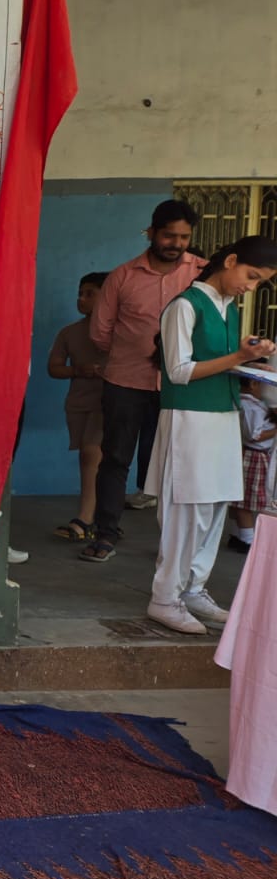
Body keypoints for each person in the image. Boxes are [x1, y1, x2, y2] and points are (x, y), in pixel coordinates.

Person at [143, 237, 277, 634]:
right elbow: (178, 371)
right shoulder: (185, 306)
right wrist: (239, 358)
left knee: (215, 507)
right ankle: (164, 597)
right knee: (187, 512)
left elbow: (216, 362)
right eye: (251, 276)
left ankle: (193, 588)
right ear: (230, 261)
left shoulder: (227, 306)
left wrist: (247, 359)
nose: (251, 286)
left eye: (260, 282)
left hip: (221, 416)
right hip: (189, 418)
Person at [82, 201, 207, 562]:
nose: (176, 243)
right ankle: (106, 534)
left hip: (180, 385)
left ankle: (173, 543)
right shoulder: (122, 276)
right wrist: (135, 351)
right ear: (151, 233)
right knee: (115, 458)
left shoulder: (201, 273)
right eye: (169, 235)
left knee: (176, 465)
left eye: (183, 237)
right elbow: (100, 332)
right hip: (126, 382)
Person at [47, 271, 109, 541]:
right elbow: (54, 367)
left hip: (108, 401)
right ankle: (101, 517)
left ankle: (86, 518)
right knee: (89, 456)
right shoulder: (69, 332)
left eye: (90, 294)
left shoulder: (119, 330)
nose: (81, 299)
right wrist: (77, 370)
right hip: (79, 401)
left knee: (91, 453)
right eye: (80, 294)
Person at [229, 373, 277, 554]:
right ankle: (247, 540)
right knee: (246, 501)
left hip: (253, 455)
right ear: (253, 383)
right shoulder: (250, 406)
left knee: (242, 499)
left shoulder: (252, 404)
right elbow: (254, 435)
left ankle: (238, 535)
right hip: (253, 455)